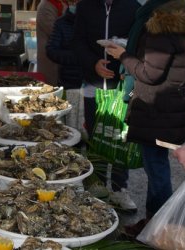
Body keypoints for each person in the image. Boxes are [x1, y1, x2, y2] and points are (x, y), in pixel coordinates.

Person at [106, 0, 185, 237]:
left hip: (159, 112)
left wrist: (123, 55)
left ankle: (158, 227)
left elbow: (150, 74)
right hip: (168, 109)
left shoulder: (160, 27)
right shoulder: (175, 23)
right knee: (157, 167)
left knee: (157, 170)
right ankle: (154, 222)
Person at [72, 0, 140, 212]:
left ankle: (120, 189)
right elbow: (78, 42)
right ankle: (96, 187)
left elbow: (140, 44)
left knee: (121, 138)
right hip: (93, 84)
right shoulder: (85, 6)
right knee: (95, 137)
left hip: (122, 85)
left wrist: (126, 59)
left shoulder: (133, 7)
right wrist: (93, 63)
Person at [45, 0, 83, 130]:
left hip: (92, 82)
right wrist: (77, 57)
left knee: (87, 125)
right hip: (69, 81)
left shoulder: (94, 22)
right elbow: (51, 50)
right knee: (70, 125)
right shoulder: (61, 23)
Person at [37, 0, 68, 85]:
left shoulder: (62, 3)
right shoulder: (46, 5)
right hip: (51, 60)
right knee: (52, 91)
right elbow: (54, 31)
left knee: (72, 94)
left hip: (65, 61)